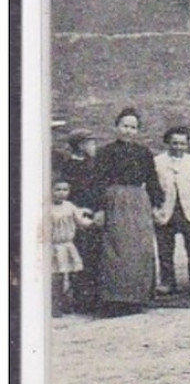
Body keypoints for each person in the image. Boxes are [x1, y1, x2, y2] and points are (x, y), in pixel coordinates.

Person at [87, 108, 162, 315]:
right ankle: (115, 298)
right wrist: (99, 209)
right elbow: (97, 182)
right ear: (116, 127)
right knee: (116, 248)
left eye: (133, 127)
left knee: (140, 248)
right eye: (125, 126)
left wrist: (156, 205)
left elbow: (152, 180)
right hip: (115, 201)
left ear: (137, 130)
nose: (128, 131)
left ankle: (137, 297)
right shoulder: (105, 152)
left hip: (139, 201)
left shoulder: (144, 153)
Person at [152, 125, 190, 295]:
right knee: (165, 250)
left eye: (182, 144)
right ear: (168, 143)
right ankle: (168, 282)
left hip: (188, 209)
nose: (178, 147)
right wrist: (154, 208)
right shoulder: (158, 162)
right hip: (166, 210)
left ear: (187, 144)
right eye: (174, 143)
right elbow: (151, 185)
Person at [58, 129, 102, 313]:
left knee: (95, 256)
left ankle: (95, 297)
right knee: (79, 256)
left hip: (94, 214)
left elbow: (100, 188)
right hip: (77, 214)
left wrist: (99, 209)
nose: (94, 146)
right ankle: (81, 299)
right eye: (90, 142)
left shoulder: (95, 164)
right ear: (80, 145)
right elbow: (70, 193)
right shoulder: (69, 167)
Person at [46, 179, 90, 316]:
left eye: (65, 190)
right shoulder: (46, 208)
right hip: (54, 246)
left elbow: (81, 221)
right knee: (56, 276)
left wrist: (90, 222)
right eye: (58, 189)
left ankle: (70, 303)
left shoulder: (70, 206)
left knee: (73, 274)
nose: (61, 193)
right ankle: (55, 306)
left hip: (68, 245)